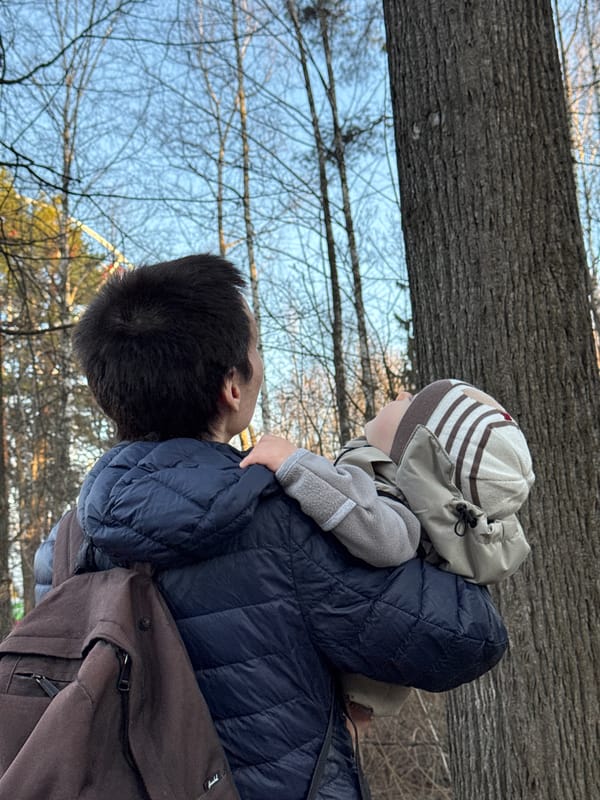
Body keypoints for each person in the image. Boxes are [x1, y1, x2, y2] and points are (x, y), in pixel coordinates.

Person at [34, 255, 508, 800]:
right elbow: (468, 636)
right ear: (232, 388)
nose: (260, 361)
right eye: (256, 349)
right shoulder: (276, 522)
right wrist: (391, 469)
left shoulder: (64, 542)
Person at [240, 379, 534, 732]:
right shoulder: (403, 484)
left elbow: (384, 539)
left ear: (416, 450)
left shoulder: (400, 503)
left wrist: (294, 464)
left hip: (336, 681)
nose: (402, 395)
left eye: (411, 406)